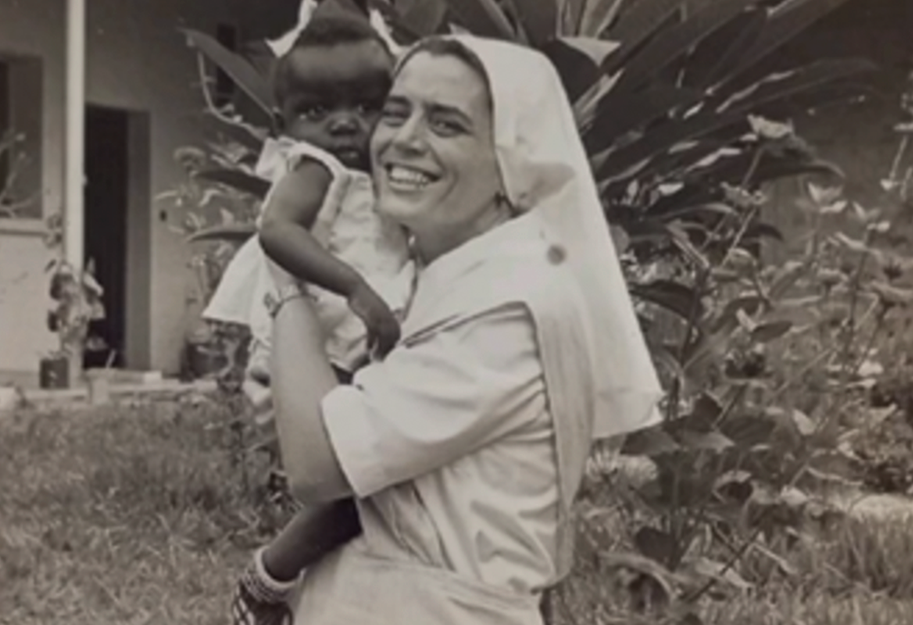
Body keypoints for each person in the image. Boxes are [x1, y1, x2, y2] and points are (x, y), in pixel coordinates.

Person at [250, 32, 665, 625]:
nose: (403, 141)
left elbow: (319, 469)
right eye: (395, 113)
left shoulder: (508, 305)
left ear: (509, 162)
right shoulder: (454, 275)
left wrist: (286, 277)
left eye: (446, 125)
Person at [199, 14, 413, 625]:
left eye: (366, 106)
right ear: (284, 124)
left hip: (347, 343)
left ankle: (309, 586)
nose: (343, 124)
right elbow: (276, 232)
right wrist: (356, 289)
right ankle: (267, 579)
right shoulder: (315, 165)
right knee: (364, 486)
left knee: (372, 485)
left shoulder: (383, 170)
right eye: (317, 111)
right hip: (316, 341)